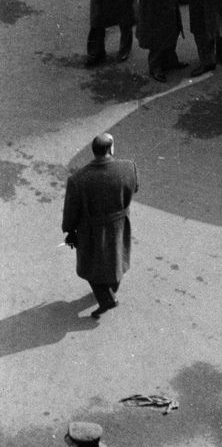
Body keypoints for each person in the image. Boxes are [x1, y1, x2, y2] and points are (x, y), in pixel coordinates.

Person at [62, 133, 139, 315]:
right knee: (117, 257)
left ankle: (107, 298)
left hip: (91, 228)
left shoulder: (78, 179)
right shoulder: (129, 167)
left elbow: (71, 210)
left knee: (91, 265)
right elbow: (134, 187)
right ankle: (112, 288)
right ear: (111, 149)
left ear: (94, 151)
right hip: (120, 223)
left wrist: (69, 229)